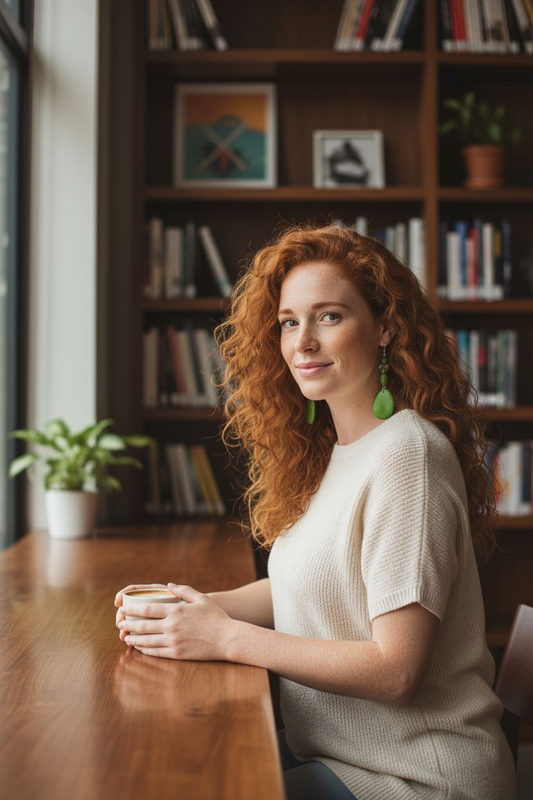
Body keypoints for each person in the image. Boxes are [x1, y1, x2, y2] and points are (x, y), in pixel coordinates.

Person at [114, 224, 517, 800]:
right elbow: (306, 589)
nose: (302, 341)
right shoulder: (337, 451)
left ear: (386, 328)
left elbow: (396, 671)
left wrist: (226, 639)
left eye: (329, 316)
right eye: (288, 321)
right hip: (342, 755)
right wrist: (181, 608)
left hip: (418, 779)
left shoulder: (408, 456)